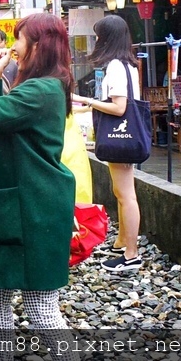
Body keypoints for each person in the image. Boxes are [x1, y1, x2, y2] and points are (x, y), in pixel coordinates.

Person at [0, 16, 78, 361]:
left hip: (26, 208)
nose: (14, 46)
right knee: (1, 308)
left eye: (20, 38)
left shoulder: (40, 90)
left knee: (41, 310)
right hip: (22, 205)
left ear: (38, 45)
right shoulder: (48, 87)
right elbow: (2, 120)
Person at [75, 14, 143, 272]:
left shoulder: (115, 66)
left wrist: (86, 101)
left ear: (107, 38)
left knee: (126, 195)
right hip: (127, 137)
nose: (95, 40)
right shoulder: (129, 64)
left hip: (121, 137)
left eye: (98, 36)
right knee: (122, 192)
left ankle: (131, 254)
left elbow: (118, 107)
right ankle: (122, 243)